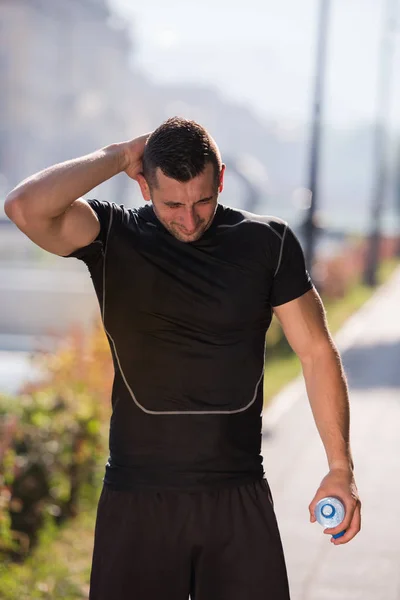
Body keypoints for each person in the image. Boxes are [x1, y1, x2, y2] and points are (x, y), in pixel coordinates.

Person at [5, 117, 361, 599]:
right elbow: (25, 208)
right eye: (173, 203)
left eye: (202, 201)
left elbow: (317, 353)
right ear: (145, 185)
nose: (189, 220)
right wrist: (118, 155)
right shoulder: (113, 234)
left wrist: (340, 467)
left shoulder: (267, 242)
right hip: (137, 499)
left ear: (220, 178)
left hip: (237, 493)